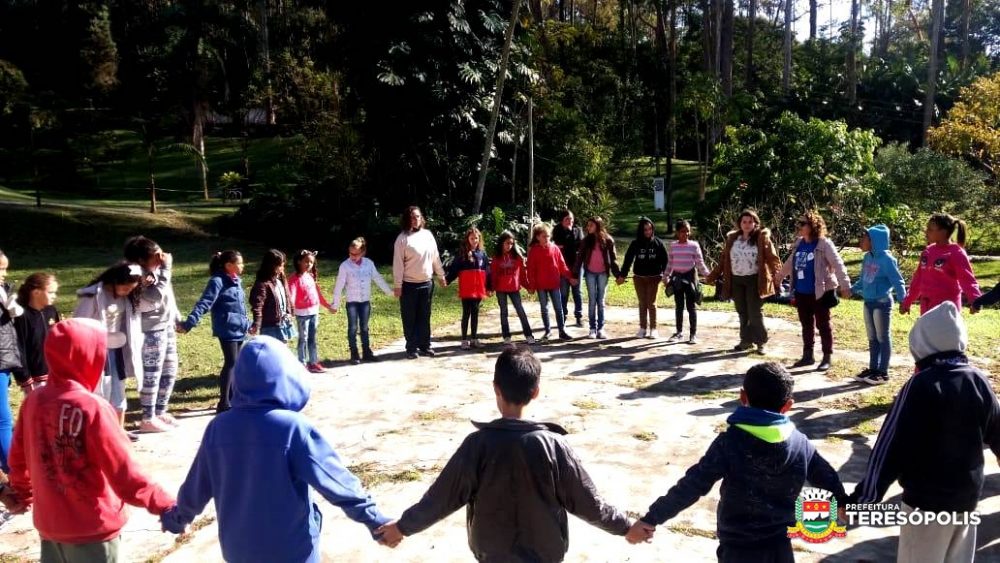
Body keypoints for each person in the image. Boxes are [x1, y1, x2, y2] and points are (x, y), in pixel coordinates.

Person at [375, 345, 634, 558]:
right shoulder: (555, 446)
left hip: (492, 553)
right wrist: (626, 527)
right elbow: (589, 503)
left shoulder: (477, 444)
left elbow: (441, 498)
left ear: (496, 388)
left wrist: (402, 527)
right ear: (535, 392)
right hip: (544, 554)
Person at [160, 336, 394, 562]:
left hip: (237, 550)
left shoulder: (218, 427)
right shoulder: (292, 428)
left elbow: (196, 486)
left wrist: (178, 518)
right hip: (291, 551)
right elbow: (335, 481)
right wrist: (375, 520)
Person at [629, 362, 847, 563]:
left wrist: (651, 519)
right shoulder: (801, 443)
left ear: (743, 397)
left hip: (738, 548)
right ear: (788, 405)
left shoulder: (730, 442)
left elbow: (693, 485)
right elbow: (827, 477)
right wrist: (844, 503)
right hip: (780, 547)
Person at [7, 318, 176, 561]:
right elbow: (124, 470)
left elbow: (18, 458)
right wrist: (163, 503)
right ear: (85, 356)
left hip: (50, 527)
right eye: (100, 352)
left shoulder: (33, 401)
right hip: (94, 530)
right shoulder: (93, 408)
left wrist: (22, 493)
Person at [848, 301, 1000, 563]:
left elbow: (889, 448)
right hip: (966, 501)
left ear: (921, 344)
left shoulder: (919, 386)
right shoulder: (978, 380)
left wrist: (863, 499)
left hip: (926, 505)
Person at [73, 262, 144, 440]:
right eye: (125, 287)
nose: (127, 291)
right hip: (95, 350)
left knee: (118, 388)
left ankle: (119, 431)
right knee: (100, 390)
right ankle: (100, 433)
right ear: (114, 281)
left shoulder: (129, 297)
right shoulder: (92, 296)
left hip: (117, 348)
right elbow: (79, 323)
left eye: (131, 288)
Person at [177, 251, 250, 414]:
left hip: (239, 328)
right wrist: (189, 323)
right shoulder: (217, 281)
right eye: (239, 263)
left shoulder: (236, 281)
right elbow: (204, 303)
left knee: (237, 363)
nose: (242, 266)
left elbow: (240, 307)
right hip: (227, 328)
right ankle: (223, 403)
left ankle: (233, 399)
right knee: (231, 362)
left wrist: (248, 323)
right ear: (229, 265)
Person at [778, 211, 852, 371]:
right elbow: (790, 262)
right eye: (799, 223)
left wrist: (845, 285)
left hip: (820, 292)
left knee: (823, 325)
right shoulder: (799, 243)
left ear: (813, 226)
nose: (799, 226)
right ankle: (807, 356)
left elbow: (838, 264)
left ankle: (826, 357)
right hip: (801, 291)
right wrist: (778, 277)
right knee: (806, 325)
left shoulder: (824, 244)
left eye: (803, 223)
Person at [123, 236, 181, 433]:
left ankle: (160, 411)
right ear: (141, 259)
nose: (161, 258)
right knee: (152, 374)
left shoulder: (158, 271)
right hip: (149, 330)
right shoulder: (134, 274)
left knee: (169, 370)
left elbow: (167, 294)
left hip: (166, 325)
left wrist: (176, 316)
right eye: (156, 255)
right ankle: (147, 418)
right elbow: (155, 296)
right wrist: (166, 269)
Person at [705, 210, 782, 354]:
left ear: (755, 223)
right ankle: (746, 341)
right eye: (744, 222)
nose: (747, 224)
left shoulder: (762, 238)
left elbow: (773, 259)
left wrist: (778, 276)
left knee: (754, 312)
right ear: (740, 224)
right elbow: (723, 260)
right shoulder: (732, 239)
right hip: (736, 280)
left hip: (754, 280)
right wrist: (712, 276)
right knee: (742, 312)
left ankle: (760, 342)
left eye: (750, 222)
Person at [849, 225, 907, 386]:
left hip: (882, 303)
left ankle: (883, 372)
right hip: (868, 302)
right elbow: (863, 279)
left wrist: (903, 300)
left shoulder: (887, 260)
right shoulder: (867, 257)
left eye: (864, 238)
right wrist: (852, 290)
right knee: (872, 338)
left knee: (883, 337)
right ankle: (873, 369)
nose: (861, 241)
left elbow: (898, 281)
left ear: (874, 241)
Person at [392, 206, 447, 360]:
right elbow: (398, 264)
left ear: (421, 218)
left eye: (417, 216)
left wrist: (441, 275)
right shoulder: (402, 239)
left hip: (426, 284)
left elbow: (435, 257)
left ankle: (425, 345)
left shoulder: (428, 235)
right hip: (409, 285)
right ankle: (411, 348)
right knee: (410, 318)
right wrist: (398, 285)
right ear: (407, 219)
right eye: (412, 217)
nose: (415, 219)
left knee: (424, 316)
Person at [900, 212, 981, 316]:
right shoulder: (927, 252)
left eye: (930, 229)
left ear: (943, 232)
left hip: (947, 309)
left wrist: (975, 300)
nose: (926, 232)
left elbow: (967, 280)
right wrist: (907, 301)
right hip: (926, 308)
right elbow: (918, 279)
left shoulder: (956, 253)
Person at [331, 238, 394, 365]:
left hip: (365, 302)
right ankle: (354, 353)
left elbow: (377, 278)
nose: (352, 256)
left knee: (364, 327)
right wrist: (335, 304)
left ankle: (367, 352)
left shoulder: (369, 263)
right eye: (350, 253)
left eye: (356, 254)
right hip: (352, 302)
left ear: (363, 252)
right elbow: (339, 285)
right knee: (353, 328)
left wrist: (390, 292)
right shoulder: (345, 266)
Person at [618, 217, 668, 339]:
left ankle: (653, 329)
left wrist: (666, 276)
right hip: (639, 277)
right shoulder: (635, 243)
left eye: (650, 229)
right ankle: (643, 328)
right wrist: (622, 275)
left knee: (651, 303)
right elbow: (628, 260)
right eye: (645, 230)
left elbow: (665, 261)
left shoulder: (658, 243)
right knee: (642, 303)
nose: (648, 232)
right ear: (641, 230)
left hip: (654, 277)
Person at [526, 224, 577, 341]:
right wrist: (532, 286)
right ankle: (547, 331)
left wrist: (570, 277)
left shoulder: (555, 248)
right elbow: (530, 270)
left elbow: (562, 265)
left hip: (554, 284)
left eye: (548, 236)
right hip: (541, 285)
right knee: (544, 309)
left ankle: (562, 331)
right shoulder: (534, 251)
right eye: (544, 236)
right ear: (538, 237)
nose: (547, 238)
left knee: (559, 308)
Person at [663, 220, 710, 344]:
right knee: (679, 307)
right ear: (677, 233)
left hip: (690, 279)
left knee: (691, 307)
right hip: (677, 279)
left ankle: (693, 334)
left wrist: (708, 276)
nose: (686, 234)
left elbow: (700, 263)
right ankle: (678, 332)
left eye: (688, 231)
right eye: (683, 231)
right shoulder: (673, 246)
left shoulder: (694, 246)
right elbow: (670, 263)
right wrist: (666, 276)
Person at [573, 216, 621, 340]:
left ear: (598, 226)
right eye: (588, 225)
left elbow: (613, 259)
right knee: (592, 301)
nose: (588, 227)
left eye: (591, 225)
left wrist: (618, 275)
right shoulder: (585, 241)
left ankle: (600, 329)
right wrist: (575, 274)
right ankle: (592, 329)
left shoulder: (608, 240)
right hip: (590, 273)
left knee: (601, 301)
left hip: (603, 273)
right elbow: (579, 258)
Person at [13, 273, 60, 393]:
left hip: (55, 374)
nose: (54, 296)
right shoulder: (22, 316)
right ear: (36, 292)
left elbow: (59, 340)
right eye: (51, 292)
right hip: (35, 379)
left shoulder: (51, 310)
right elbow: (18, 348)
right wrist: (25, 378)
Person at [287, 250, 333, 373]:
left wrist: (327, 305)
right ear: (299, 261)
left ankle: (313, 363)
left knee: (312, 339)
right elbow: (291, 296)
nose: (309, 264)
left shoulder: (310, 276)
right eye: (306, 261)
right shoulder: (294, 279)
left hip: (314, 312)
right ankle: (302, 364)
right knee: (303, 339)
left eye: (311, 262)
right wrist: (290, 311)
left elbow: (317, 294)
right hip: (302, 314)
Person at [446, 227, 492, 350]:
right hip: (467, 289)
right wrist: (447, 280)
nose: (474, 240)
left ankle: (474, 339)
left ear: (479, 239)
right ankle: (464, 340)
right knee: (466, 313)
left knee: (475, 313)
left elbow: (488, 271)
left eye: (476, 238)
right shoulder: (462, 254)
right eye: (472, 238)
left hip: (478, 289)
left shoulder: (482, 254)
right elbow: (454, 269)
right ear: (467, 239)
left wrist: (489, 287)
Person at [0, 249, 23, 486]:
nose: (4, 274)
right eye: (0, 269)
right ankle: (13, 473)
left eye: (5, 269)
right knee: (3, 420)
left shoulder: (4, 291)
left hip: (4, 360)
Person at [490, 231, 534, 344]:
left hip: (514, 289)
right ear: (501, 243)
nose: (509, 245)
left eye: (511, 243)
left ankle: (529, 335)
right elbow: (493, 275)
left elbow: (522, 275)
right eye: (507, 243)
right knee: (503, 312)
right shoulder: (496, 258)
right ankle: (506, 336)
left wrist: (528, 286)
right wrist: (491, 288)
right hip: (501, 289)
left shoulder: (517, 257)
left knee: (520, 311)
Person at [250, 249, 295, 343]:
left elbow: (287, 296)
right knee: (272, 350)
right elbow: (257, 305)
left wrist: (291, 311)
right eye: (280, 266)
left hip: (283, 322)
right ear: (271, 266)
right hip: (270, 326)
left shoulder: (281, 279)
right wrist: (256, 323)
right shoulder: (262, 284)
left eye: (283, 265)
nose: (282, 268)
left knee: (283, 348)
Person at [552, 209, 585, 328]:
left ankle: (579, 317)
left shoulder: (578, 230)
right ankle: (563, 316)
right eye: (567, 219)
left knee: (577, 292)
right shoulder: (557, 230)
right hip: (562, 266)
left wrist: (567, 243)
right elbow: (558, 248)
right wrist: (569, 246)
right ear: (562, 220)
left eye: (571, 218)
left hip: (577, 265)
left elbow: (580, 248)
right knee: (564, 292)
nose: (570, 221)